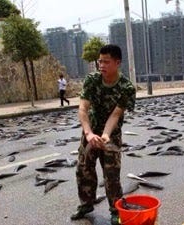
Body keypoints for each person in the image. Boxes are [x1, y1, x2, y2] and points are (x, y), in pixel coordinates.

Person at [70, 44, 136, 225]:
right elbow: (83, 108)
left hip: (111, 135)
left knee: (111, 174)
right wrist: (89, 133)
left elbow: (116, 114)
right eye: (100, 61)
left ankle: (116, 211)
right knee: (84, 170)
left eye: (106, 62)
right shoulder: (92, 80)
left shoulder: (127, 87)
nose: (101, 65)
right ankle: (86, 204)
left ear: (117, 63)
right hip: (90, 131)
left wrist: (105, 136)